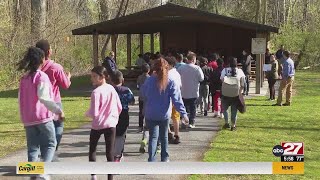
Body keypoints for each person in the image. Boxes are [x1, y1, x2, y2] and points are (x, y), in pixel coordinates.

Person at [18, 47, 64, 180]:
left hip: (28, 119)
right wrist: (57, 110)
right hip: (43, 118)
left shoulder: (24, 78)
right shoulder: (41, 77)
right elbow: (44, 98)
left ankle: (33, 174)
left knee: (33, 149)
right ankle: (43, 171)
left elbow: (20, 99)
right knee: (50, 144)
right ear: (42, 60)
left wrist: (23, 116)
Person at [141, 58, 188, 162]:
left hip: (150, 113)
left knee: (153, 137)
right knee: (164, 137)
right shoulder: (170, 81)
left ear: (154, 69)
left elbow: (143, 95)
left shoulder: (149, 80)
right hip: (164, 114)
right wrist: (184, 114)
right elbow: (177, 99)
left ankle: (151, 159)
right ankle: (165, 158)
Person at [36, 39, 71, 160]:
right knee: (58, 127)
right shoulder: (56, 67)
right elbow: (65, 85)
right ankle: (51, 152)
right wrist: (68, 78)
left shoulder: (35, 69)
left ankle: (46, 153)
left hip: (40, 104)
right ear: (49, 52)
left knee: (43, 131)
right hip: (55, 101)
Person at [86, 66, 122, 180]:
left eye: (94, 76)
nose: (92, 79)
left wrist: (88, 114)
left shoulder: (96, 92)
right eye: (91, 76)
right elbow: (119, 106)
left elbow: (94, 111)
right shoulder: (112, 89)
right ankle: (110, 177)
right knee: (109, 152)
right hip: (110, 124)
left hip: (97, 125)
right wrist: (114, 116)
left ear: (102, 77)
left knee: (92, 149)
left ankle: (93, 175)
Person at [111, 70, 135, 162]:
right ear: (123, 80)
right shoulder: (126, 90)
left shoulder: (110, 90)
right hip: (124, 113)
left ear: (111, 81)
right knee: (121, 135)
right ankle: (118, 154)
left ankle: (113, 153)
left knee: (112, 134)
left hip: (112, 114)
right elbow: (132, 101)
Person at [177, 52, 204, 128]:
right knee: (193, 108)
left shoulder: (180, 68)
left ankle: (183, 120)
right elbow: (202, 78)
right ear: (193, 59)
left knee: (184, 107)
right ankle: (191, 122)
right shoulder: (197, 68)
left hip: (183, 91)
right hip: (193, 91)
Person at [220, 57, 245, 131]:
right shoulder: (239, 71)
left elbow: (221, 79)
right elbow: (243, 82)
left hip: (226, 93)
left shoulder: (224, 70)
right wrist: (241, 90)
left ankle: (226, 122)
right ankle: (233, 125)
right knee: (234, 110)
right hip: (235, 93)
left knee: (225, 109)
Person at [165, 56, 183, 144]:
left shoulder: (166, 74)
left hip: (168, 98)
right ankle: (177, 135)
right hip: (176, 97)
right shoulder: (177, 73)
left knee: (167, 116)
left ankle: (169, 132)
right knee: (176, 117)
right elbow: (180, 86)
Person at [137, 63, 151, 133]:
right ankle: (147, 125)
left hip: (141, 96)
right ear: (149, 70)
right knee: (147, 111)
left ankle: (140, 126)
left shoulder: (139, 77)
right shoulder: (150, 78)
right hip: (148, 97)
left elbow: (138, 86)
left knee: (141, 112)